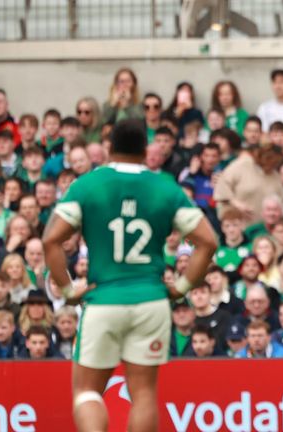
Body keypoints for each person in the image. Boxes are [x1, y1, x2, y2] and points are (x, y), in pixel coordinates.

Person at [42, 118, 218, 432]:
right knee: (144, 393)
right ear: (144, 149)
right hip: (151, 299)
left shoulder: (88, 185)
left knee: (87, 391)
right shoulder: (164, 186)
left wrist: (68, 291)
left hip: (103, 298)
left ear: (109, 147)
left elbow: (50, 240)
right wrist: (181, 287)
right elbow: (207, 241)